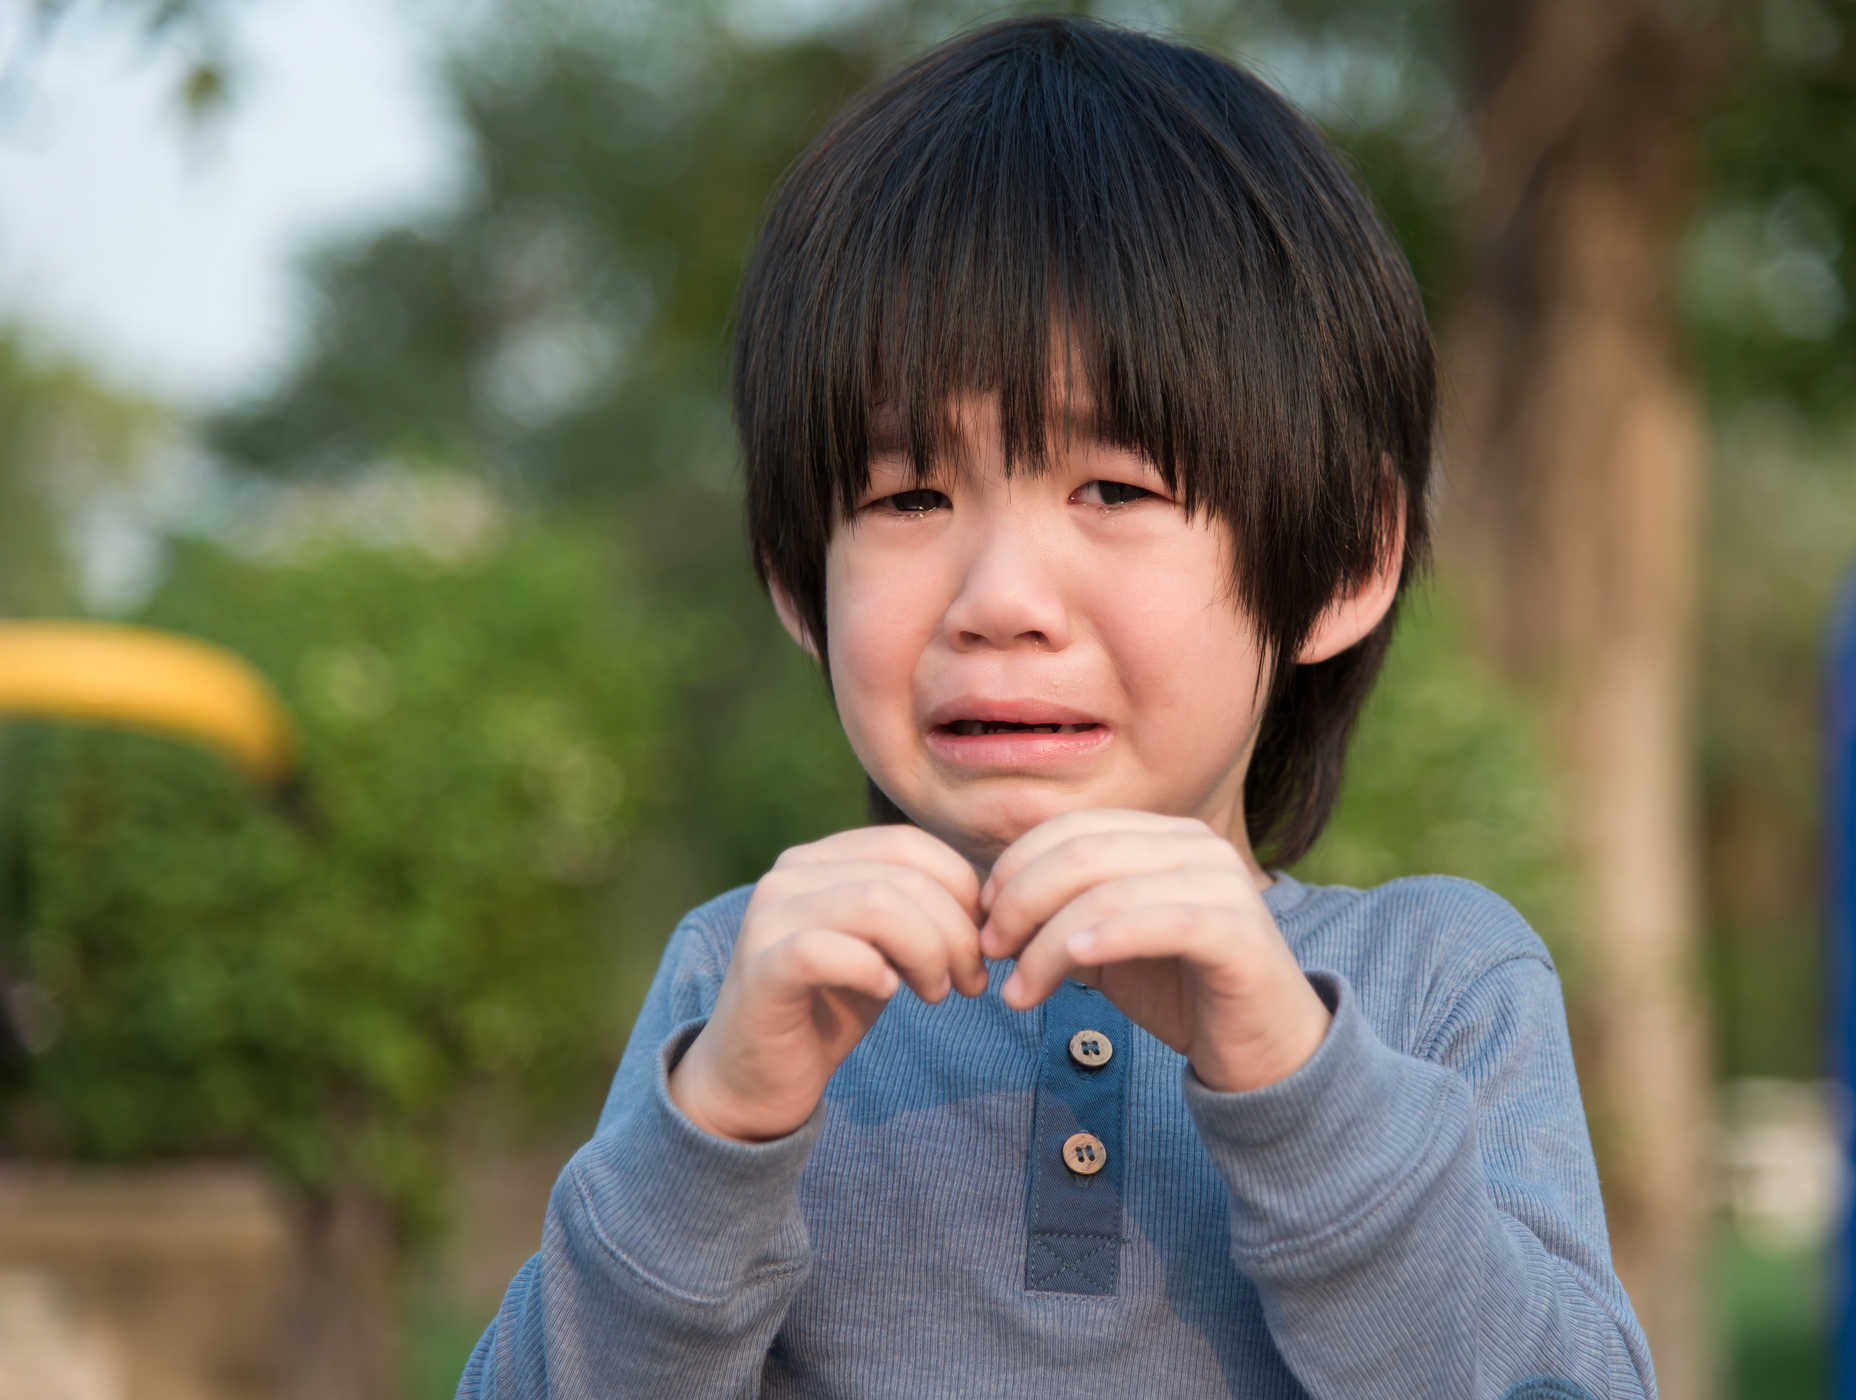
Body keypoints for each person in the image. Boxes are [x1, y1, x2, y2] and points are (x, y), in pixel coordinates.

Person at [459, 13, 1657, 1399]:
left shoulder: (1438, 985)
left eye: (1114, 490)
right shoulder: (742, 987)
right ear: (797, 575)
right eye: (907, 496)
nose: (1000, 597)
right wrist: (718, 1122)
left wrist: (1289, 1071)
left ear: (1341, 558)